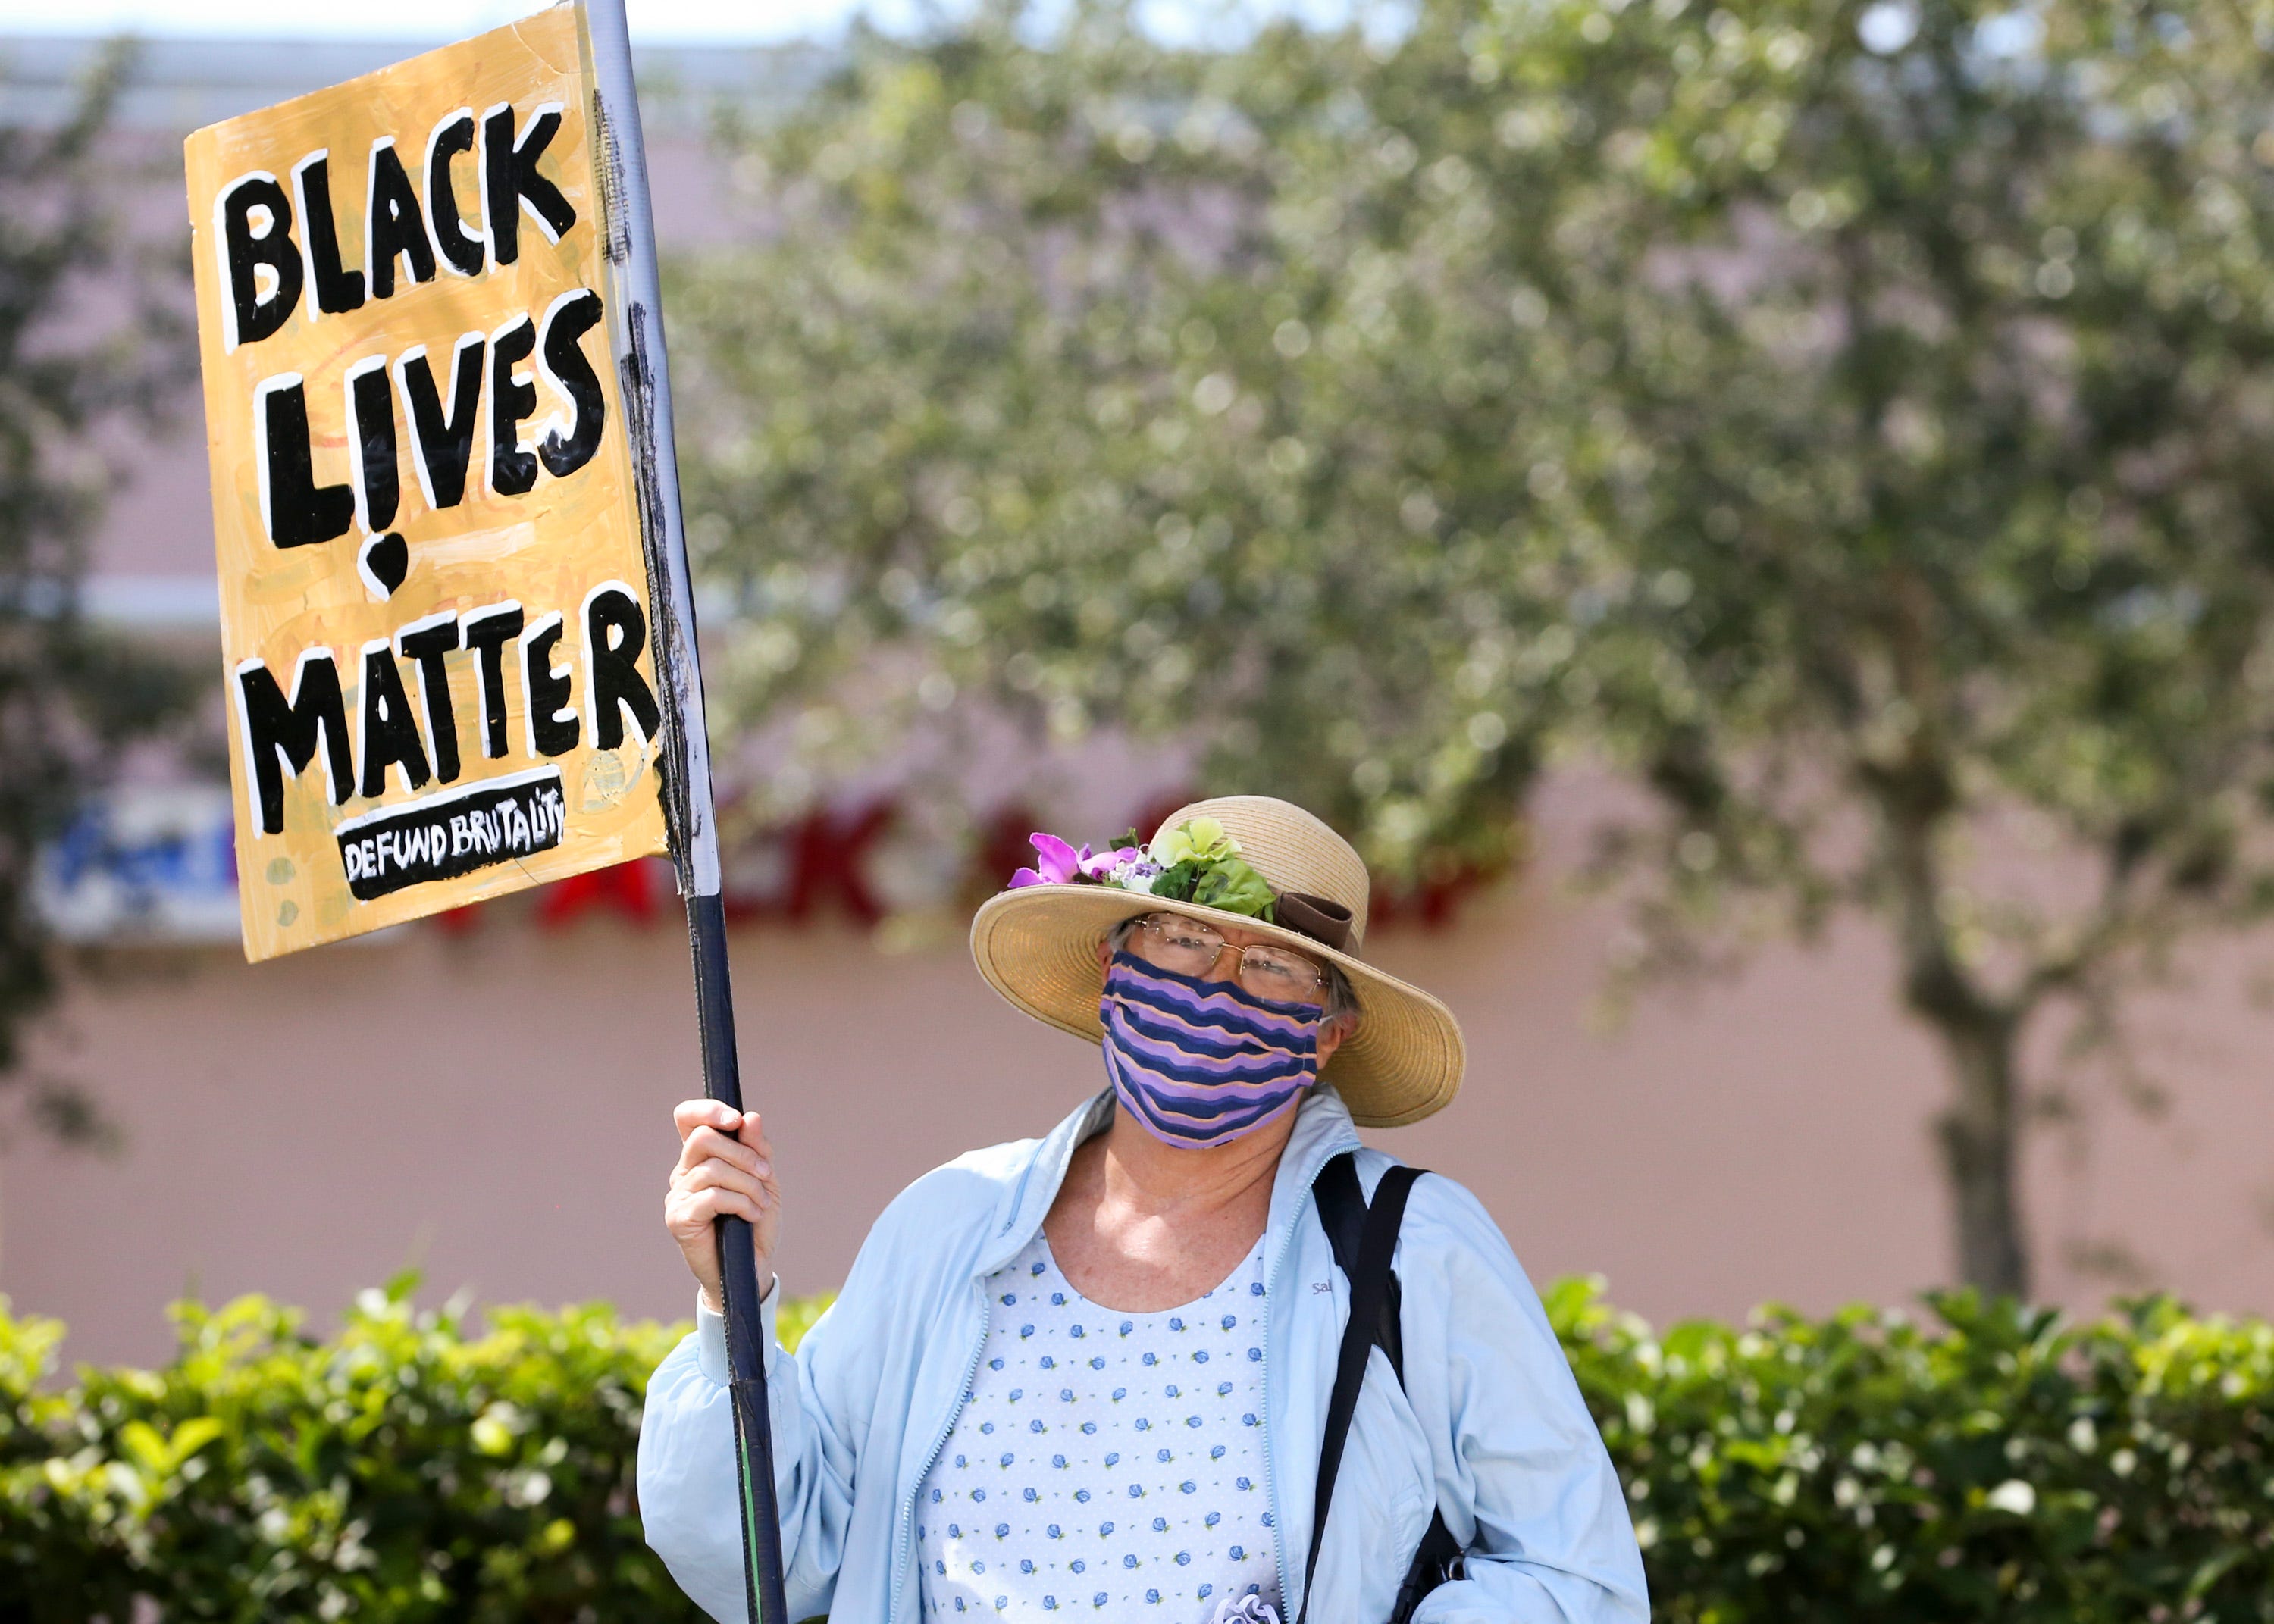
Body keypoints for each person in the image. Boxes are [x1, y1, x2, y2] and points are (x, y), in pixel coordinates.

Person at [638, 795, 1649, 1623]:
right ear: (1113, 971)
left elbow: (1577, 1581)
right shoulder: (951, 1226)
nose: (1215, 989)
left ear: (1327, 1035)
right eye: (1177, 940)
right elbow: (767, 1559)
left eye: (1269, 964)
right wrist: (735, 1297)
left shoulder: (1413, 1249)